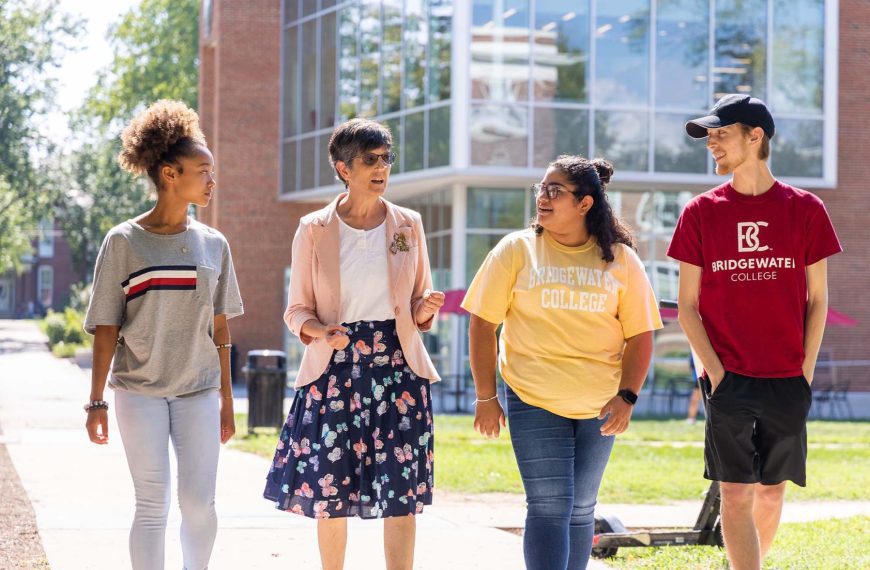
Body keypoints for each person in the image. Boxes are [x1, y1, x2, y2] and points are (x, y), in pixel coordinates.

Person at [462, 155, 663, 570]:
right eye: (541, 189)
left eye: (555, 191)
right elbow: (483, 325)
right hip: (533, 396)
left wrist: (627, 396)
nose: (543, 197)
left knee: (581, 508)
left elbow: (641, 334)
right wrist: (486, 397)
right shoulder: (516, 250)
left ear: (585, 203)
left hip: (601, 404)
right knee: (550, 504)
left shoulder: (620, 260)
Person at [668, 94, 841, 570]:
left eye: (720, 134)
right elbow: (686, 306)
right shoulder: (700, 212)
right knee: (736, 491)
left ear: (755, 136)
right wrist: (718, 375)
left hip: (788, 376)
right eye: (709, 137)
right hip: (730, 377)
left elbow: (819, 298)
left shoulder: (805, 209)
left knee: (771, 493)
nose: (712, 145)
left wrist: (803, 370)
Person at [263, 118, 444, 570]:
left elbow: (418, 302)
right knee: (330, 489)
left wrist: (426, 310)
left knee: (400, 492)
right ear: (344, 168)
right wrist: (320, 332)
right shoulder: (313, 228)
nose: (382, 167)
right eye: (370, 160)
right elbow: (295, 310)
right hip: (335, 367)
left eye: (386, 158)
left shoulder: (409, 224)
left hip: (398, 366)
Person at [83, 100, 244, 570]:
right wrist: (96, 402)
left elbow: (221, 327)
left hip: (197, 391)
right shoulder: (123, 241)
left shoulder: (214, 244)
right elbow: (106, 328)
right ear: (170, 174)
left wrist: (228, 400)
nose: (212, 181)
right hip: (139, 392)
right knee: (152, 506)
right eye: (203, 171)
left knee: (199, 504)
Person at [686, 349, 703, 424]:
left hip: (706, 377)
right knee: (695, 399)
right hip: (699, 378)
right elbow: (691, 365)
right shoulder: (694, 353)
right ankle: (691, 418)